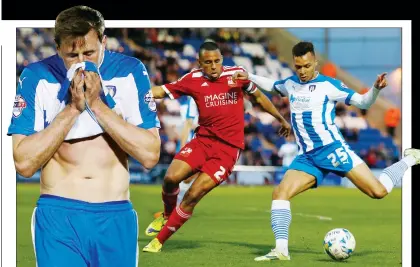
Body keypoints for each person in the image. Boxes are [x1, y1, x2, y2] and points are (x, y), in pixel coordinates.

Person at [231, 41, 419, 261]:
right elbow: (273, 85)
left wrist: (375, 89)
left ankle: (409, 159)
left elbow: (363, 103)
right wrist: (249, 76)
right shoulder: (291, 83)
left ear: (315, 62)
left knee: (378, 192)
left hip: (333, 150)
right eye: (298, 66)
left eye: (307, 66)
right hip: (308, 158)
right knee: (280, 193)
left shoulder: (329, 85)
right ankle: (281, 251)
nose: (302, 71)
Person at [8, 6, 161, 267]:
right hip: (59, 216)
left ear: (103, 41)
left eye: (89, 52)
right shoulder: (36, 76)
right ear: (57, 48)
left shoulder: (130, 71)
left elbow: (150, 155)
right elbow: (24, 162)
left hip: (115, 215)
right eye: (71, 54)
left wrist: (97, 104)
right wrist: (73, 108)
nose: (81, 61)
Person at [142, 41, 292, 252]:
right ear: (200, 63)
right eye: (208, 62)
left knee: (193, 195)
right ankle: (167, 215)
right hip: (202, 142)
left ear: (222, 60)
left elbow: (258, 97)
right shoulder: (192, 79)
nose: (214, 66)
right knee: (170, 179)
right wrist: (137, 93)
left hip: (227, 151)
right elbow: (161, 91)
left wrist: (281, 118)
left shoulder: (237, 75)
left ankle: (159, 242)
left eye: (217, 61)